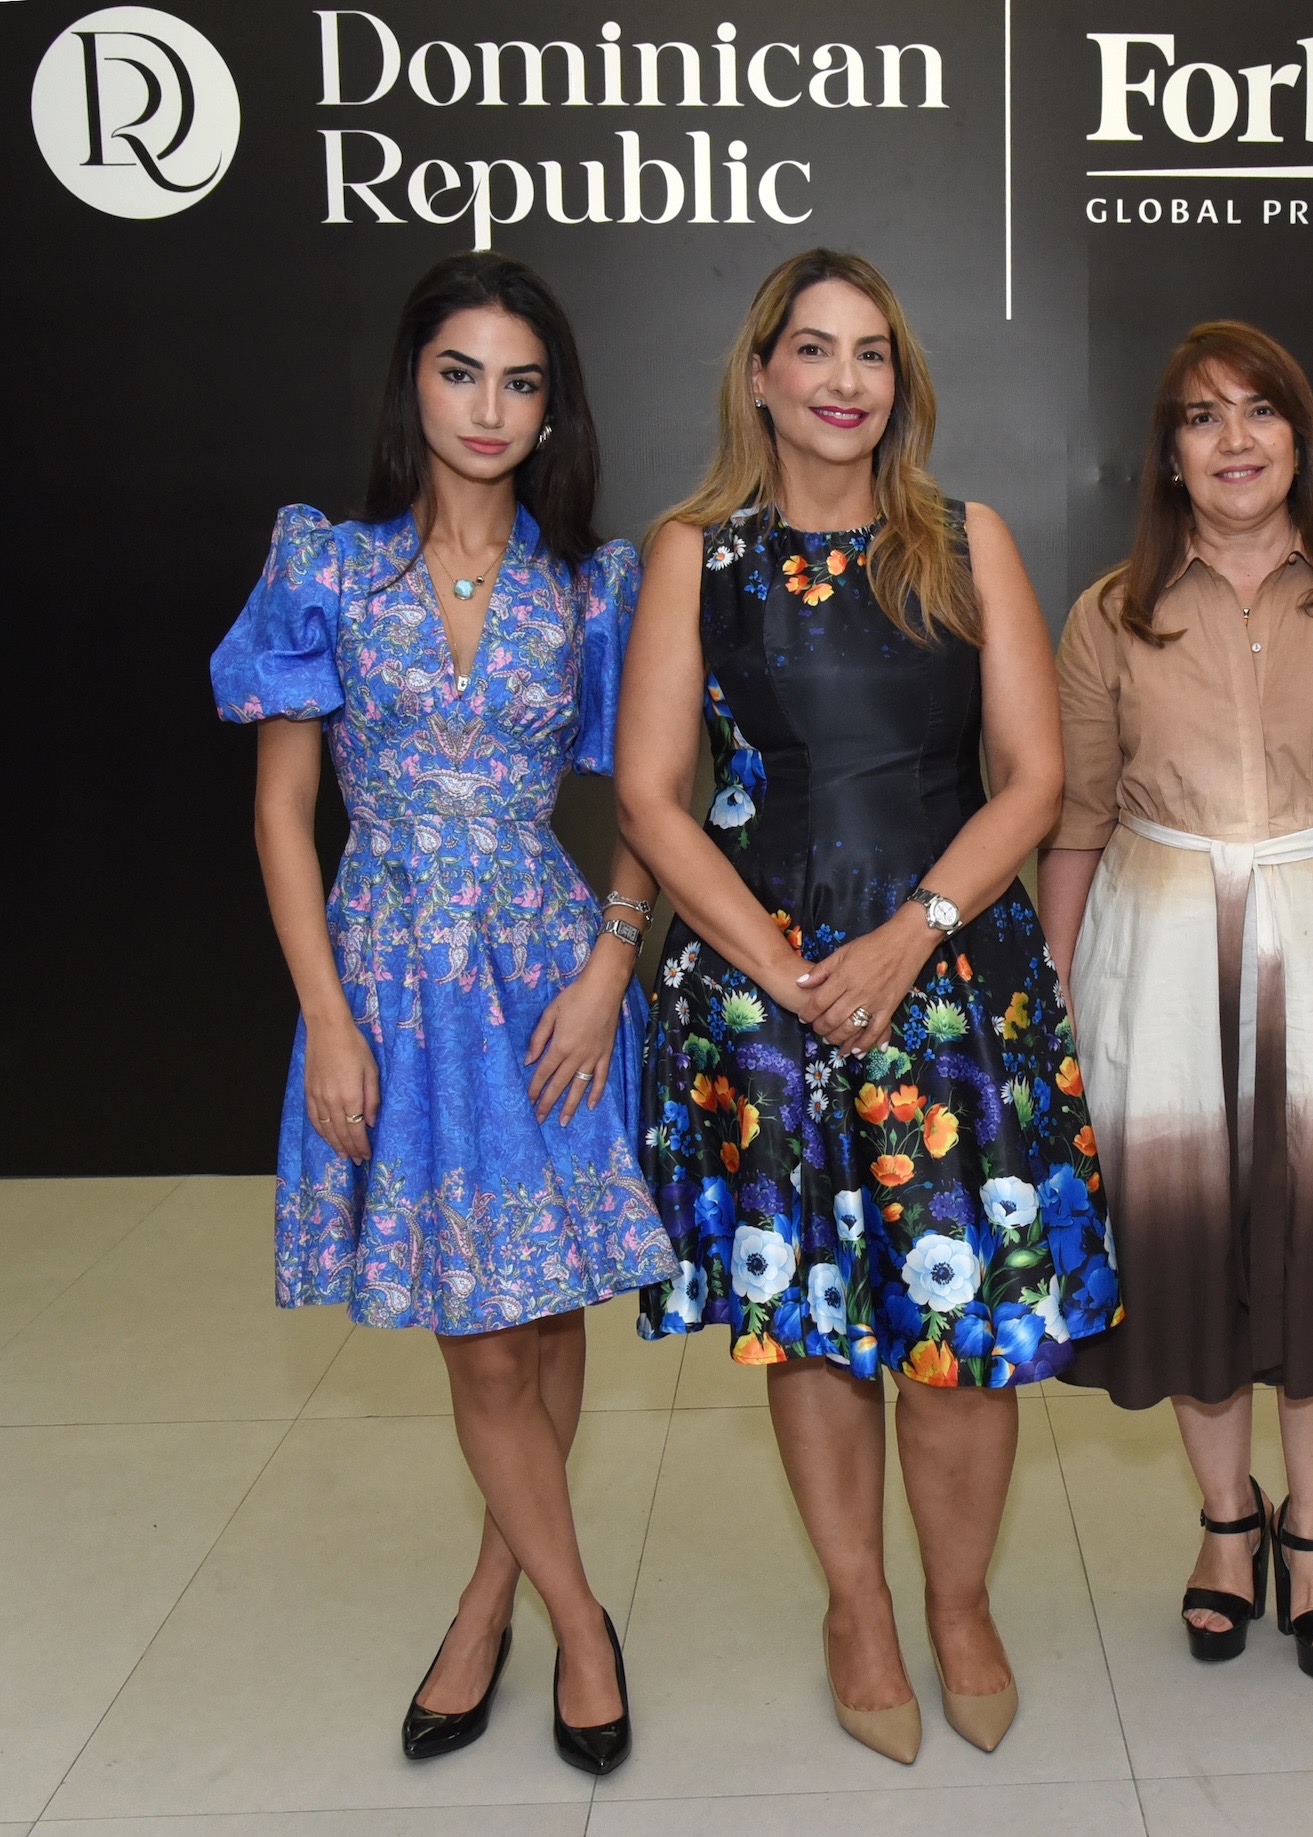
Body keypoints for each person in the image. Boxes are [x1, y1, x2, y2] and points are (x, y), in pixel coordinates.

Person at [617, 248, 1118, 1764]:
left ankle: (961, 1604)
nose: (845, 380)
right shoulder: (694, 554)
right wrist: (785, 973)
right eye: (815, 350)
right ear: (761, 373)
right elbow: (650, 798)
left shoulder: (967, 541)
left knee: (964, 1328)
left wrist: (913, 934)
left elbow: (1034, 778)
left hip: (953, 986)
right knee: (817, 1326)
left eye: (873, 353)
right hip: (762, 1004)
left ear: (902, 382)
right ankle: (858, 1608)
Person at [209, 252, 675, 1776]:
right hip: (394, 981)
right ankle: (579, 1619)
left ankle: (490, 1595)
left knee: (541, 1305)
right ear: (412, 381)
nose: (489, 408)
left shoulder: (588, 585)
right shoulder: (326, 568)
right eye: (460, 371)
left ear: (553, 409)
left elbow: (651, 806)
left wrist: (611, 970)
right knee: (479, 1345)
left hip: (550, 974)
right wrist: (327, 1017)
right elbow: (282, 816)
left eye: (521, 382)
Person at [1037, 321, 1313, 1686]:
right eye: (1201, 417)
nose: (1233, 440)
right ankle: (1226, 1523)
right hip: (1156, 946)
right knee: (1190, 1243)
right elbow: (1075, 817)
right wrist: (1056, 991)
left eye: (1259, 412)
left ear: (1301, 437)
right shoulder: (1109, 614)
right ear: (1167, 455)